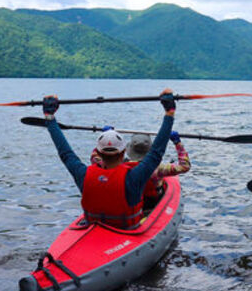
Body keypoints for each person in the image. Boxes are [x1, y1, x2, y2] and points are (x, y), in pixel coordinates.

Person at [41, 89, 176, 229]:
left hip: (94, 228)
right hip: (128, 231)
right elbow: (156, 152)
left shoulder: (83, 174)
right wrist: (169, 113)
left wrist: (49, 117)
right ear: (124, 152)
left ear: (98, 152)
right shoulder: (134, 177)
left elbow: (65, 153)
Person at [124, 131, 191, 210]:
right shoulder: (158, 169)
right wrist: (177, 143)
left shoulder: (121, 166)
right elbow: (184, 166)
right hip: (150, 203)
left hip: (130, 202)